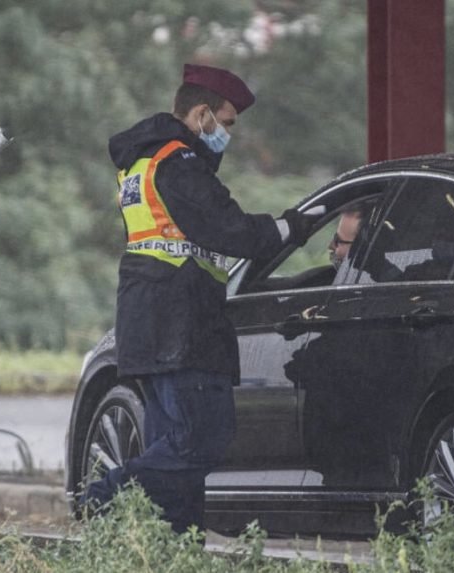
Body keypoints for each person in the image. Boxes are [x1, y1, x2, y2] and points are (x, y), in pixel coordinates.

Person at [81, 64, 313, 534]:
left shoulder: (141, 161)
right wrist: (290, 227)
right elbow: (227, 227)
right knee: (203, 440)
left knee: (175, 450)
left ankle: (176, 546)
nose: (227, 133)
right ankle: (107, 493)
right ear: (202, 114)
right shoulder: (178, 162)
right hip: (181, 325)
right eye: (226, 123)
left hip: (151, 322)